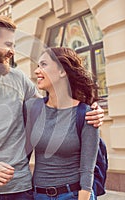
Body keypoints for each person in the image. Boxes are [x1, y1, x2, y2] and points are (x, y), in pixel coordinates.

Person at [0, 15, 104, 200]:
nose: (12, 52)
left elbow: (53, 108)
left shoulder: (19, 80)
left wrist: (92, 110)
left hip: (21, 191)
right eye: (8, 44)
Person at [25, 47, 100, 200]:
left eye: (43, 65)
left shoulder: (86, 113)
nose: (37, 71)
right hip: (38, 195)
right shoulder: (32, 108)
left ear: (62, 71)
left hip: (72, 195)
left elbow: (87, 170)